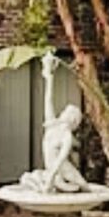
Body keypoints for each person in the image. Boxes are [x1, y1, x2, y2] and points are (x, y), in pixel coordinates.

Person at [19, 52, 90, 194]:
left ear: (73, 120)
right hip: (52, 172)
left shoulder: (66, 136)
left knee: (84, 186)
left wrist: (50, 179)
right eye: (65, 111)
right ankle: (53, 184)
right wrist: (49, 78)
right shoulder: (52, 125)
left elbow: (60, 161)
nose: (63, 113)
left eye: (67, 112)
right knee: (25, 178)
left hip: (62, 171)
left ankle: (63, 186)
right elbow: (48, 100)